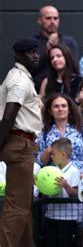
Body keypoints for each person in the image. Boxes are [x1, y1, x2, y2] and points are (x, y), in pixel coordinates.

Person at [0, 37, 41, 247]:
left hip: (21, 145)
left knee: (23, 206)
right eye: (30, 52)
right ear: (18, 55)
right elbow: (8, 117)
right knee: (17, 208)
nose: (36, 55)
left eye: (37, 51)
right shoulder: (19, 80)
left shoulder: (21, 76)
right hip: (20, 144)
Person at [36, 93, 83, 172]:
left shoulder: (81, 127)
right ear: (50, 111)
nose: (60, 109)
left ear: (69, 110)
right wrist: (49, 150)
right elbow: (39, 161)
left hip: (80, 174)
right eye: (56, 106)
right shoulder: (44, 130)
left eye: (63, 106)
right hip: (53, 175)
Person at [41, 138, 81, 247]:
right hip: (51, 216)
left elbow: (75, 194)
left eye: (53, 154)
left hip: (67, 219)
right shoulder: (51, 171)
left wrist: (65, 185)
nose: (51, 157)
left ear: (63, 155)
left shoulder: (74, 171)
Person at [33, 5, 79, 92]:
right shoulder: (33, 43)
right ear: (39, 20)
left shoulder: (69, 41)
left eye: (55, 18)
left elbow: (74, 67)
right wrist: (47, 51)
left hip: (66, 91)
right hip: (40, 91)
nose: (52, 21)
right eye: (48, 18)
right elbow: (31, 68)